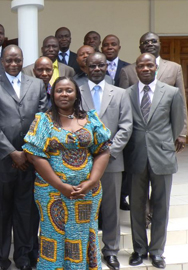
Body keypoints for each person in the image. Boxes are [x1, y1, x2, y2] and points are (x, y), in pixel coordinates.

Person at [23, 76, 111, 269]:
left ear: (76, 94)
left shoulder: (90, 119)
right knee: (53, 235)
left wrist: (91, 182)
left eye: (68, 90)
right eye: (59, 90)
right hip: (51, 192)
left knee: (84, 234)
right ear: (52, 95)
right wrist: (61, 186)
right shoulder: (43, 121)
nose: (64, 94)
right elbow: (37, 157)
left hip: (87, 193)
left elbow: (103, 150)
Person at [0, 45, 48, 270]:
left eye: (17, 60)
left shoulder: (37, 85)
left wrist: (27, 152)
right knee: (1, 213)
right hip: (3, 161)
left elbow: (41, 120)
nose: (13, 64)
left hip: (30, 161)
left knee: (26, 213)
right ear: (2, 62)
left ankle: (23, 257)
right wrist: (12, 153)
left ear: (22, 60)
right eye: (9, 60)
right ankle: (0, 259)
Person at [126, 53, 185, 269]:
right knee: (137, 207)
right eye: (141, 66)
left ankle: (158, 252)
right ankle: (139, 250)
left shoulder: (171, 92)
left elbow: (177, 124)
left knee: (161, 206)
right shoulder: (127, 94)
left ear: (155, 68)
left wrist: (165, 145)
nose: (145, 69)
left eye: (149, 65)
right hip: (136, 157)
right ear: (136, 69)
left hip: (162, 157)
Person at [80, 52, 133, 270]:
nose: (96, 69)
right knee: (84, 207)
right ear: (86, 67)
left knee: (111, 207)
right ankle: (84, 250)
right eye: (92, 66)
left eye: (101, 65)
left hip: (111, 160)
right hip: (82, 161)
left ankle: (110, 250)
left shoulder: (120, 93)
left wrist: (109, 151)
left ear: (106, 67)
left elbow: (126, 125)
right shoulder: (76, 90)